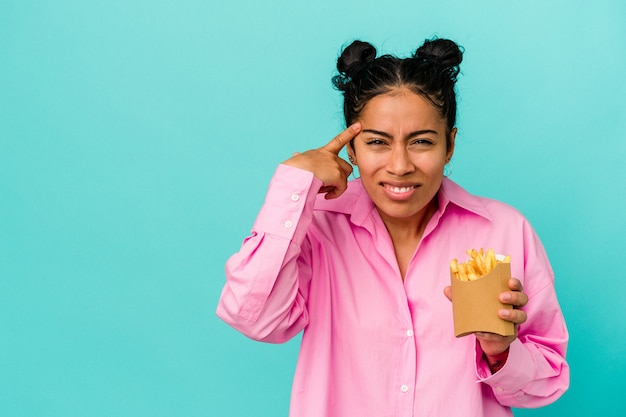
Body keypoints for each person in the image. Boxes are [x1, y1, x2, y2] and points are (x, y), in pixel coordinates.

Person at [216, 38, 569, 416]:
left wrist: (502, 352)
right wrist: (292, 185)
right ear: (351, 150)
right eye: (377, 143)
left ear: (449, 145)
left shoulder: (504, 232)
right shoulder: (315, 225)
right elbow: (254, 318)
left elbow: (547, 383)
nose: (400, 166)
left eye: (421, 142)